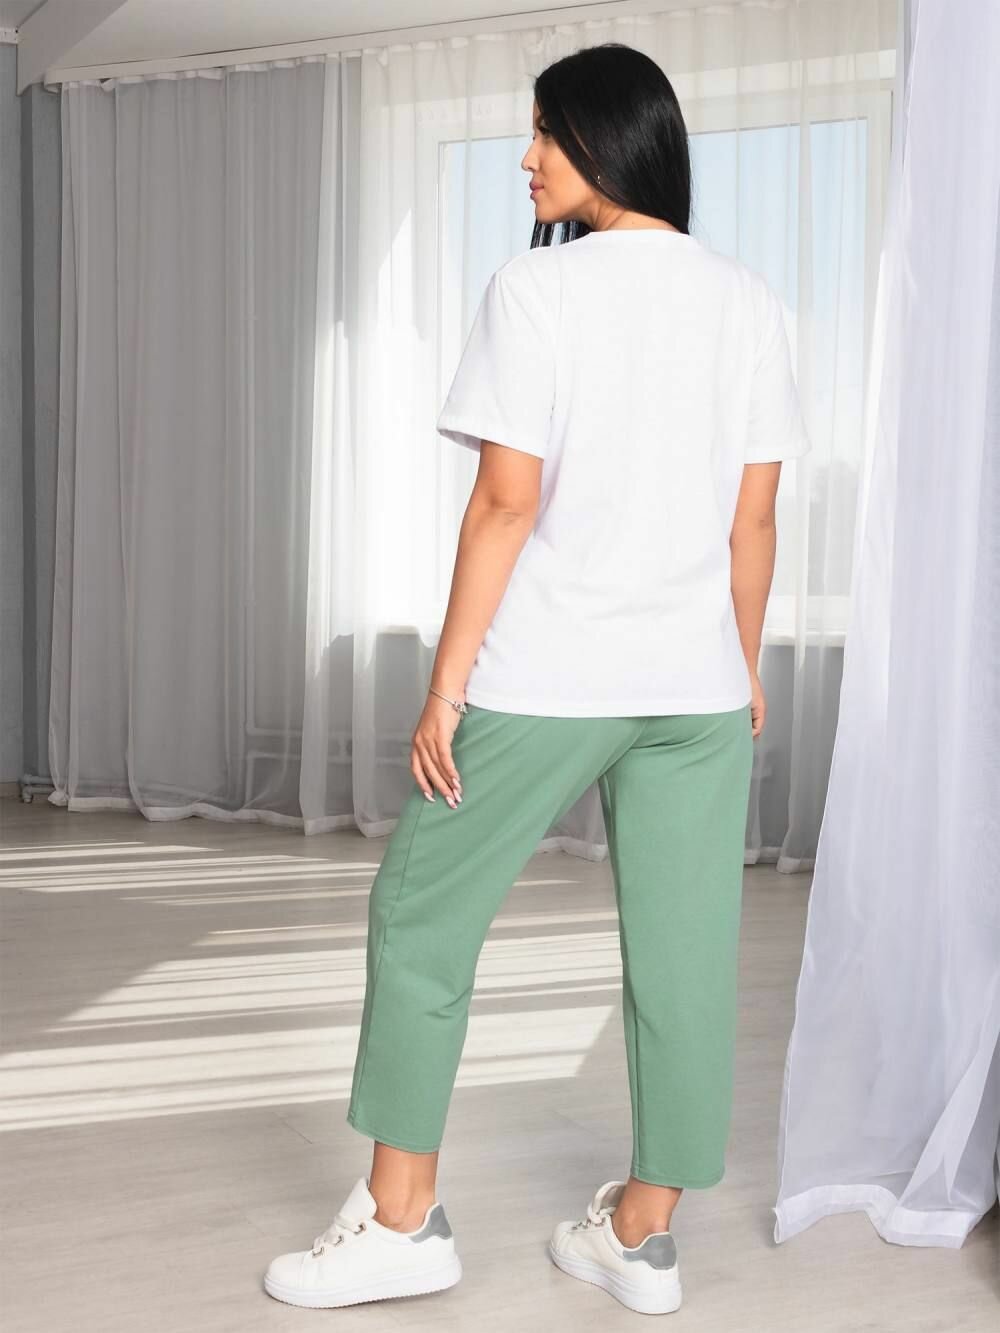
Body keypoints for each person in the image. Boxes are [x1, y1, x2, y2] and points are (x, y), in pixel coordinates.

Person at [263, 41, 810, 1317]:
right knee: (684, 955)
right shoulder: (747, 298)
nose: (527, 157)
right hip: (692, 689)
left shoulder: (535, 289)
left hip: (548, 677)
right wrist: (739, 667)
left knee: (420, 919)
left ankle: (403, 1220)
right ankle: (644, 1235)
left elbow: (506, 504)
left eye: (548, 134)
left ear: (612, 142)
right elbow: (754, 519)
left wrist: (444, 684)